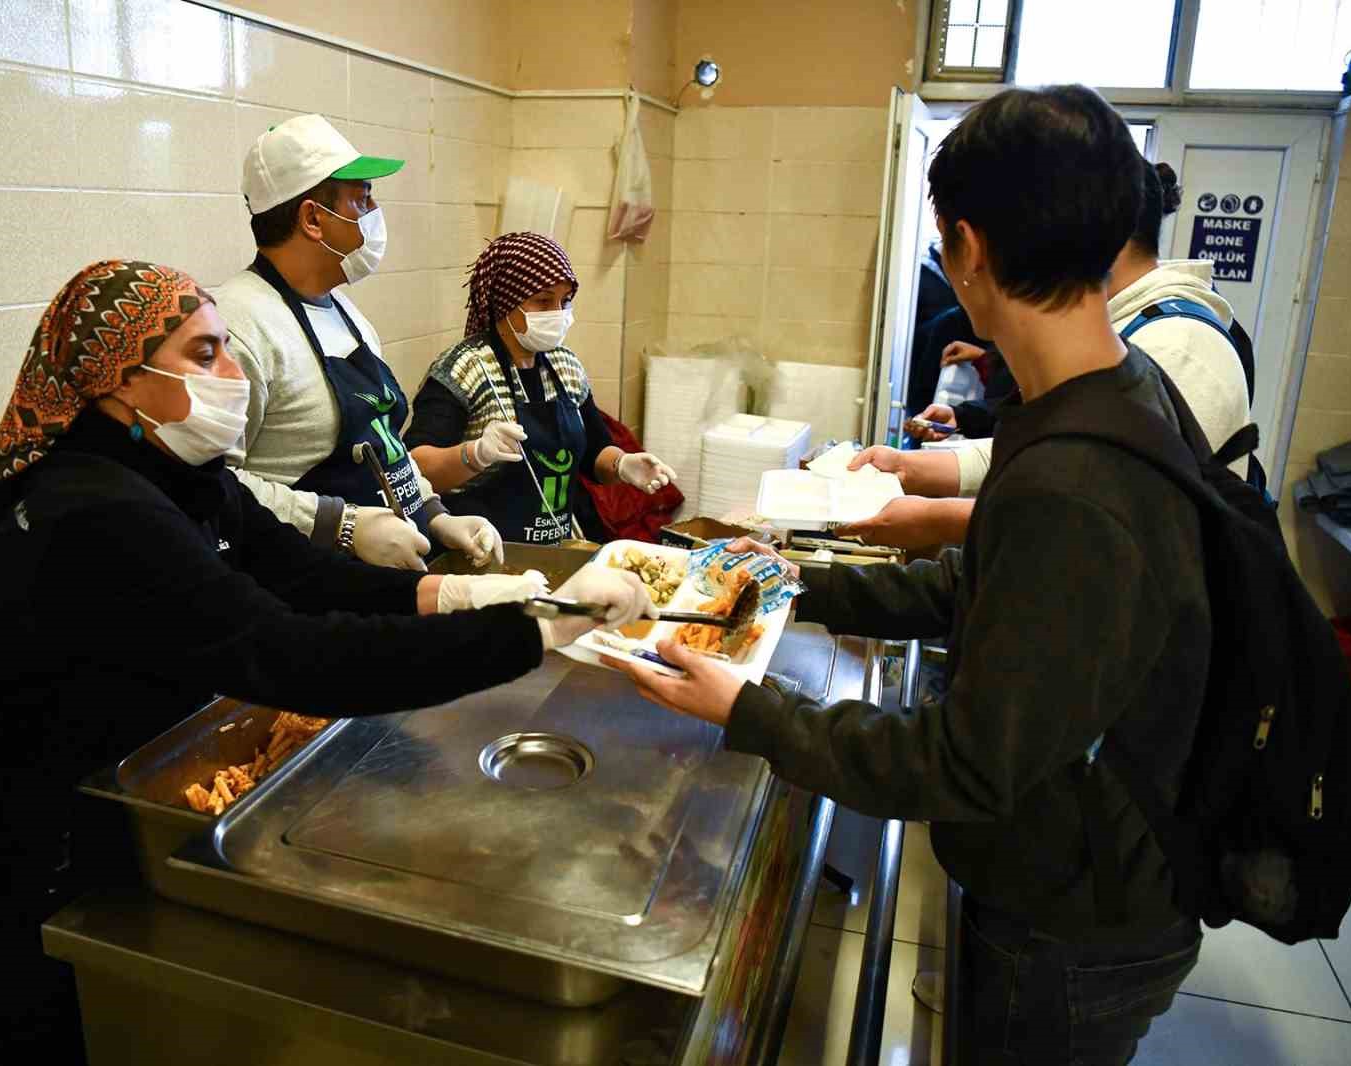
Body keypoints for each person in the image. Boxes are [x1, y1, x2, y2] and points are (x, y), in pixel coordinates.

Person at [0, 260, 651, 1066]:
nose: (233, 375)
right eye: (205, 354)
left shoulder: (184, 477)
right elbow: (291, 654)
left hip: (90, 834)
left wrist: (460, 596)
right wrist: (534, 628)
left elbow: (306, 575)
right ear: (120, 383)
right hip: (4, 881)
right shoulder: (97, 513)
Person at [621, 86, 1208, 1065]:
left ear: (968, 248)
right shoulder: (1105, 399)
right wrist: (789, 582)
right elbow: (975, 589)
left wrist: (746, 709)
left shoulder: (1076, 475)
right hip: (1084, 872)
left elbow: (966, 762)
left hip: (1074, 918)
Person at [852, 159, 1251, 549]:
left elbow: (1102, 518)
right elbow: (1055, 454)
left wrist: (936, 519)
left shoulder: (1176, 346)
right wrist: (911, 468)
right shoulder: (1127, 330)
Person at [214, 114, 501, 571]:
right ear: (312, 218)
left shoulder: (349, 316)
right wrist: (340, 524)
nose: (374, 214)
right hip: (301, 584)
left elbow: (383, 443)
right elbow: (213, 483)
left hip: (378, 579)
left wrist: (434, 515)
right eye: (361, 199)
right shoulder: (238, 326)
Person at [405, 232, 676, 545]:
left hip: (554, 547)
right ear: (506, 301)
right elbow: (416, 465)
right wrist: (474, 454)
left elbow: (595, 451)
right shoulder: (465, 369)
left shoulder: (566, 367)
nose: (558, 312)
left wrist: (622, 464)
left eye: (565, 301)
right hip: (480, 551)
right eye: (544, 301)